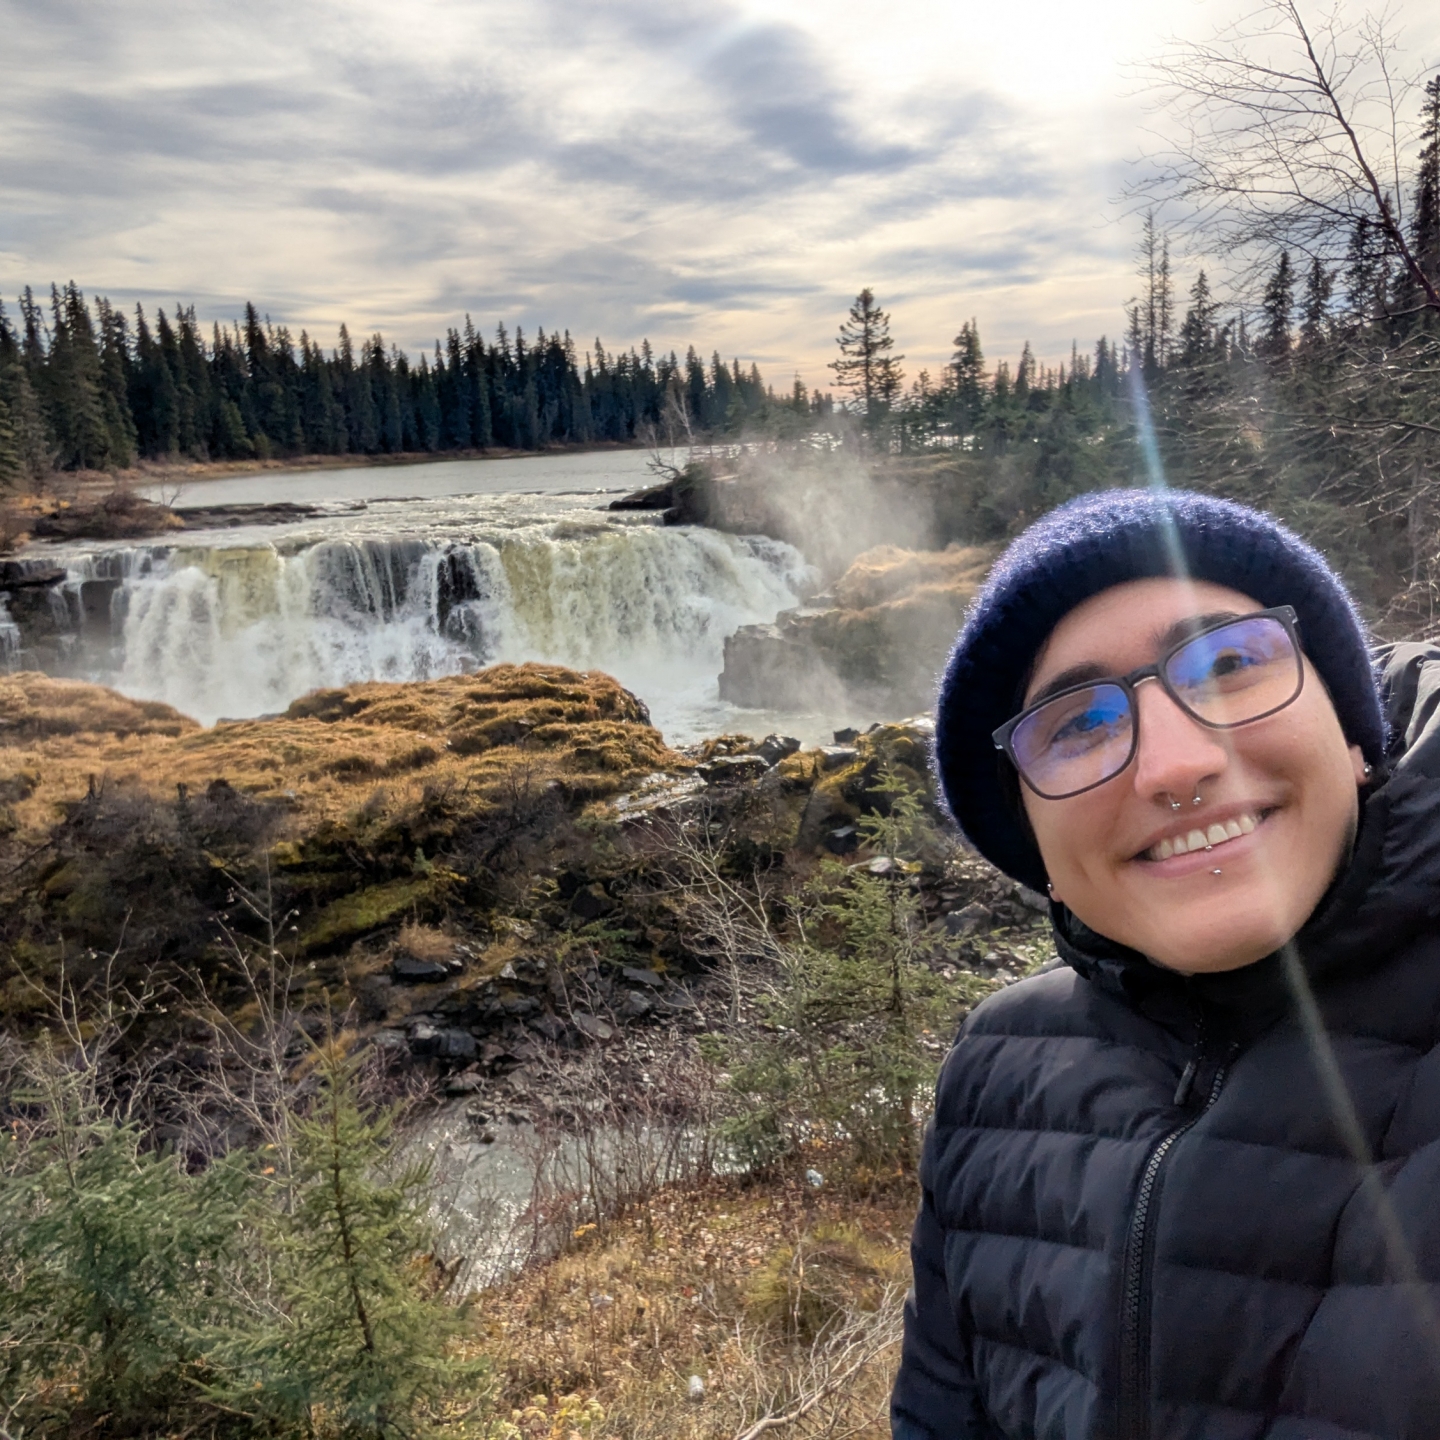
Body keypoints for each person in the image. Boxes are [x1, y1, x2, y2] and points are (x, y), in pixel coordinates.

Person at [891, 488, 1440, 1440]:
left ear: (1355, 735)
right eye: (1078, 724)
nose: (1175, 765)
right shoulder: (991, 1078)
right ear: (1033, 842)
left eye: (1228, 663)